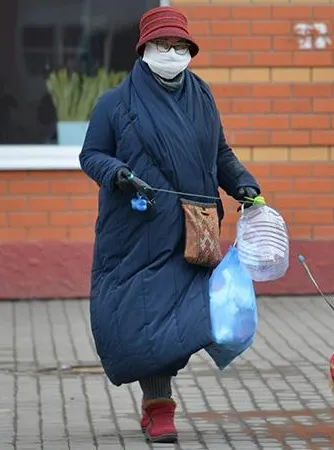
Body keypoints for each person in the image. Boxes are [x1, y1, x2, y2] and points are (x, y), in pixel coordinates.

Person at [78, 6, 261, 444]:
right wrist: (117, 174)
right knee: (144, 318)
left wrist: (245, 186)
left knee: (182, 320)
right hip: (135, 232)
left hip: (191, 234)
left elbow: (219, 155)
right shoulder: (115, 103)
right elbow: (91, 155)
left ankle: (156, 400)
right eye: (164, 45)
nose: (173, 53)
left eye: (180, 46)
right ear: (145, 49)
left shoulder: (202, 97)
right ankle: (159, 407)